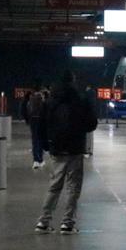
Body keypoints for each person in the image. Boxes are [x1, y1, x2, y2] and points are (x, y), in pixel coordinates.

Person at [34, 71, 98, 235]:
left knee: (54, 185)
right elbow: (91, 124)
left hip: (56, 147)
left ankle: (43, 221)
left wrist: (46, 145)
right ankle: (67, 223)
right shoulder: (81, 100)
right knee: (73, 187)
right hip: (75, 148)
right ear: (73, 81)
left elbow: (40, 126)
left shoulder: (49, 102)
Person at [22, 80, 47, 169]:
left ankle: (35, 160)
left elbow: (26, 108)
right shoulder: (43, 98)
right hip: (41, 120)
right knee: (41, 139)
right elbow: (46, 110)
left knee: (34, 139)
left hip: (33, 120)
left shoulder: (30, 97)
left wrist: (27, 119)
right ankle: (40, 160)